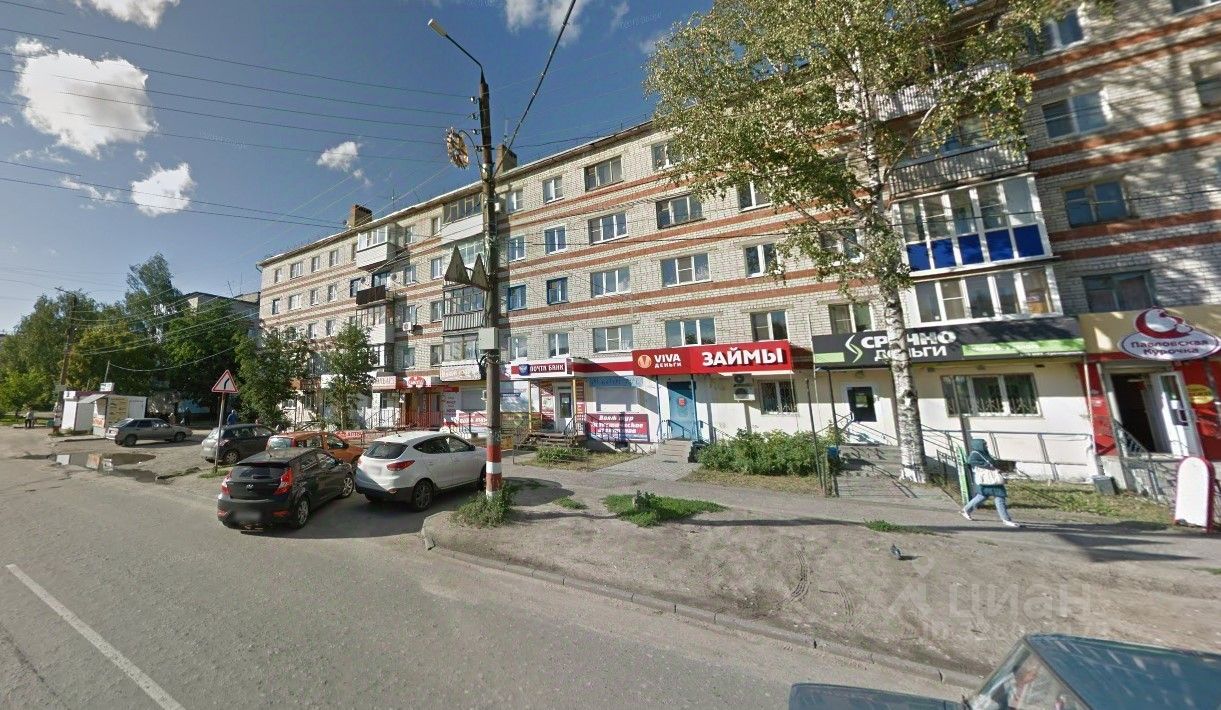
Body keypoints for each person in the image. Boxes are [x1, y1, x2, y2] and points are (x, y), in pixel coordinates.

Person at [961, 439, 1022, 528]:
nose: (986, 446)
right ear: (978, 445)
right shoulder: (975, 454)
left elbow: (991, 463)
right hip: (989, 480)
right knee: (999, 497)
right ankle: (1006, 519)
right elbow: (970, 461)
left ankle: (966, 510)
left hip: (990, 480)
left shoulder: (984, 453)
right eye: (984, 444)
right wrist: (988, 466)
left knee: (983, 496)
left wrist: (996, 468)